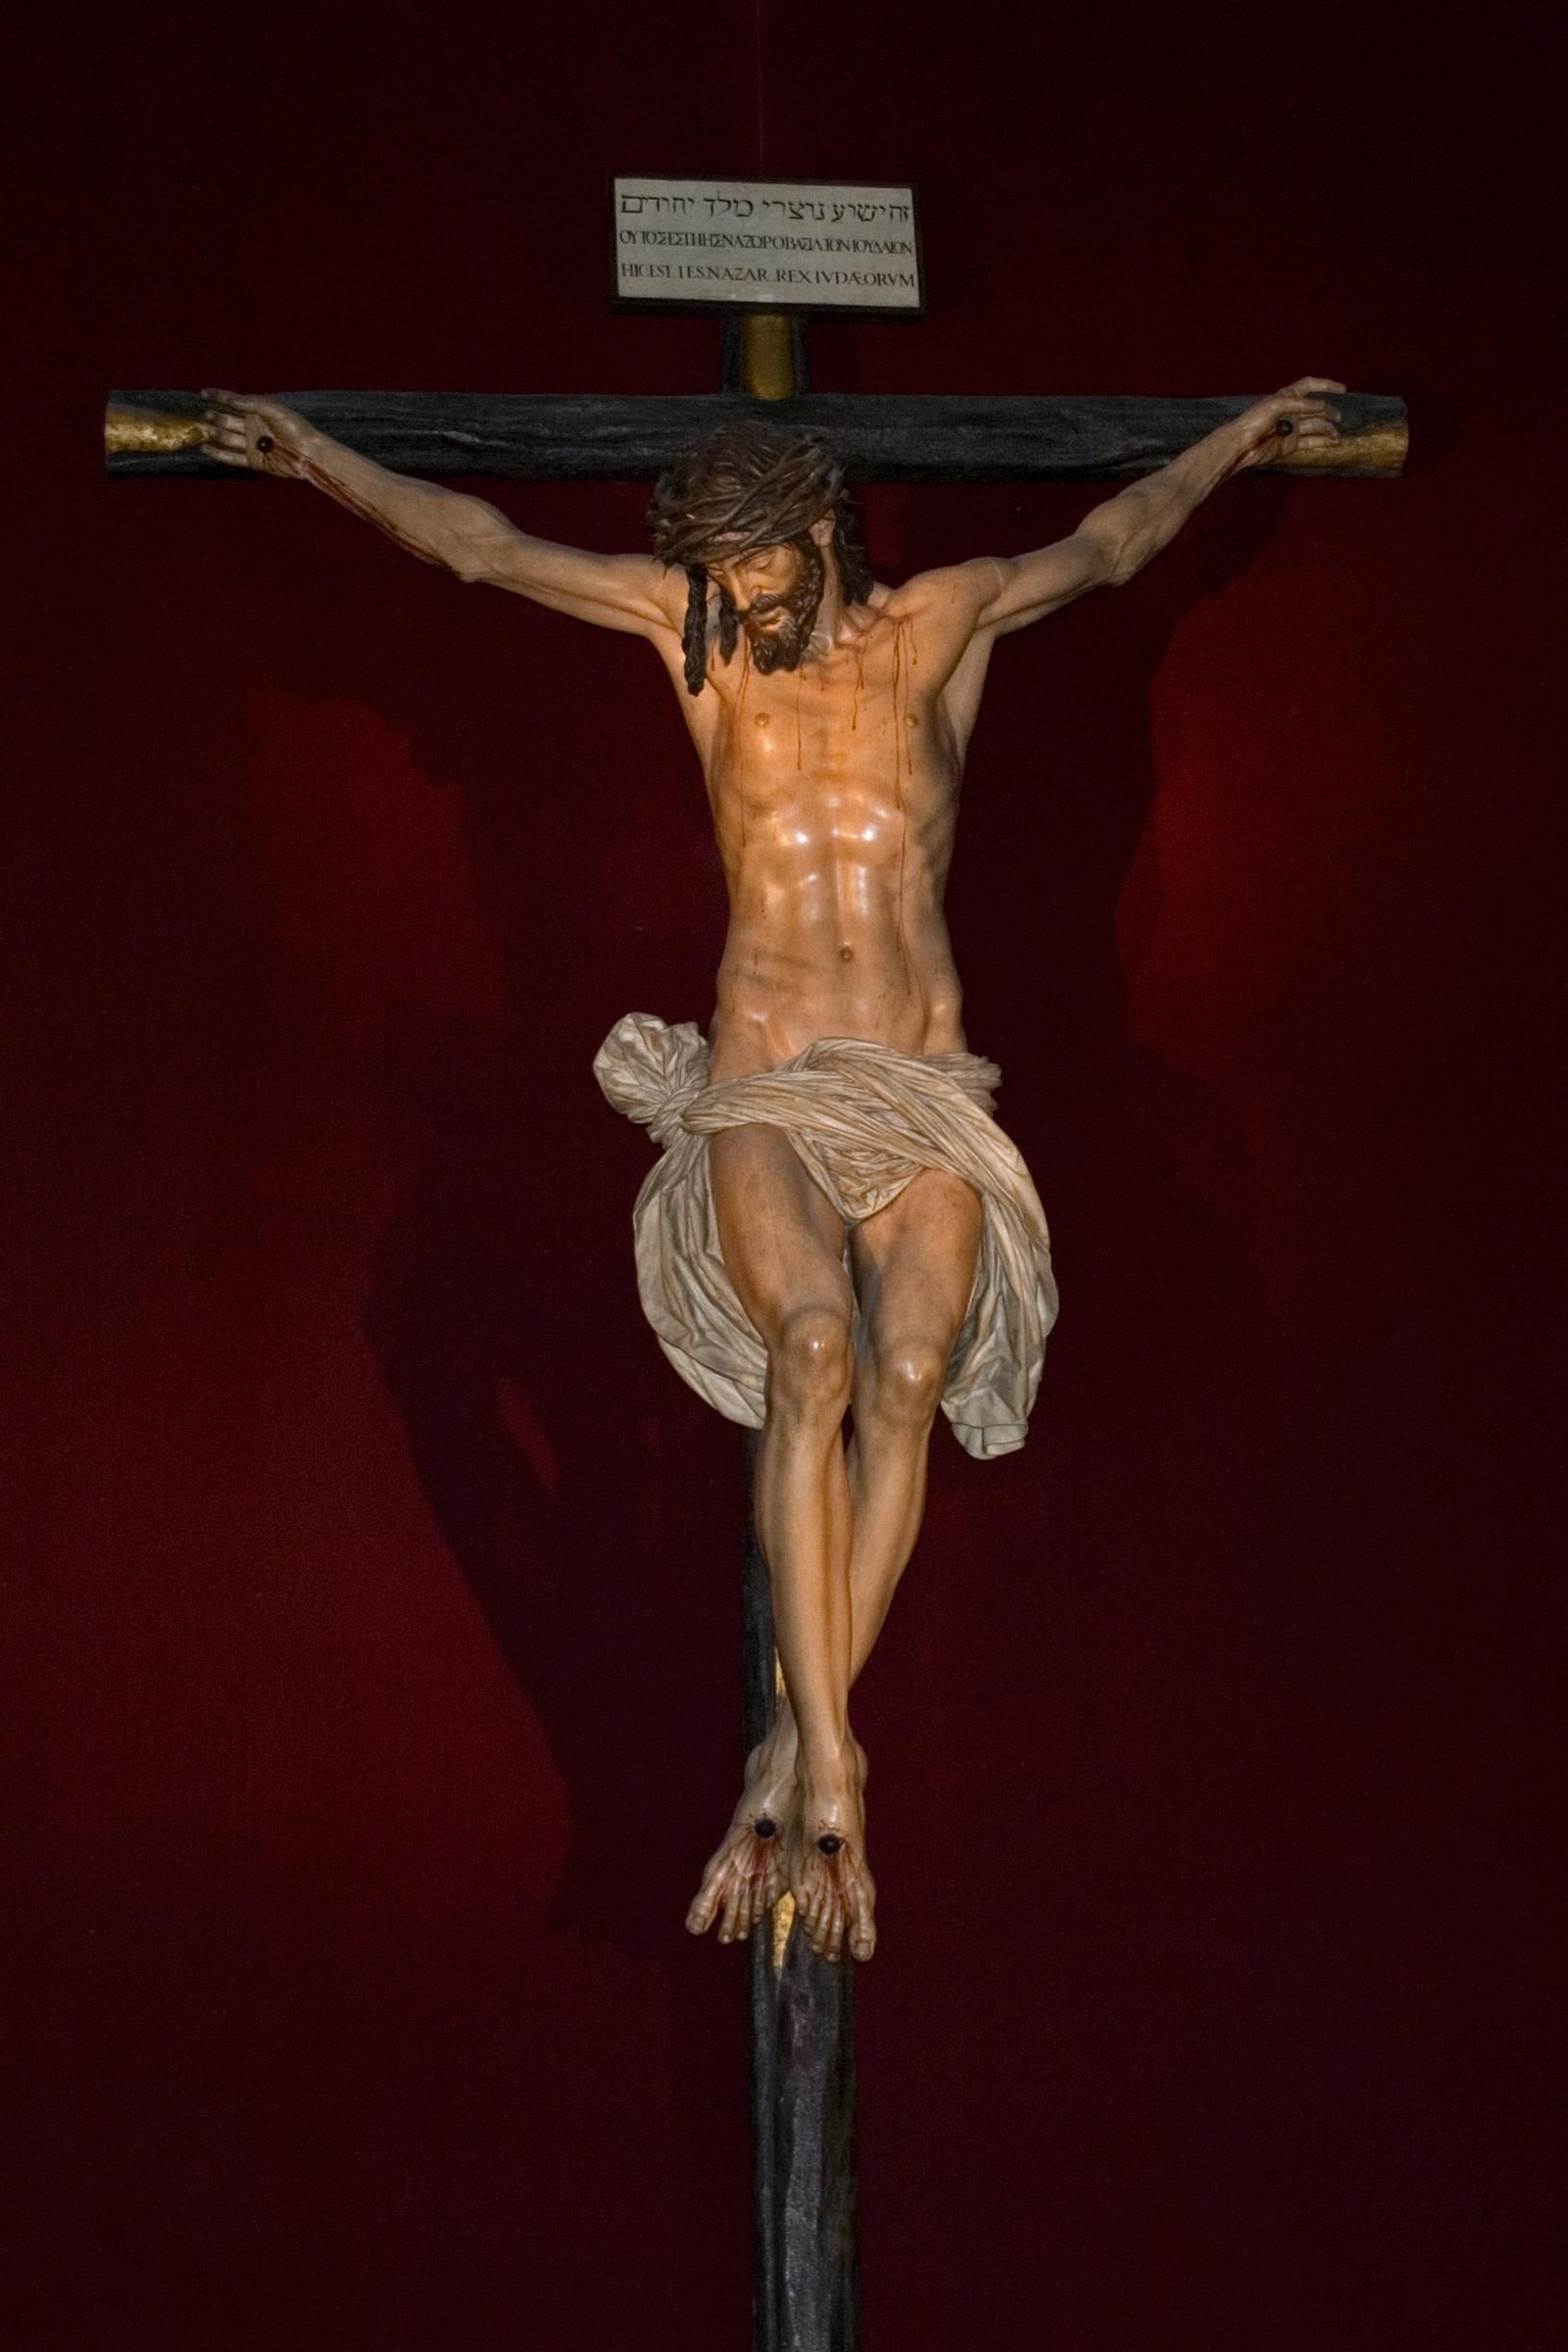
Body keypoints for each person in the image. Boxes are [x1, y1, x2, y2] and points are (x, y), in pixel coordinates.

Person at [203, 377, 1344, 1961]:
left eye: (765, 584)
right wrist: (315, 457)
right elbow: (483, 549)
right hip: (767, 1079)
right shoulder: (707, 647)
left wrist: (1236, 439)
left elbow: (1115, 540)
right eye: (720, 595)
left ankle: (788, 1748)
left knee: (914, 1370)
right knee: (815, 1353)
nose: (740, 619)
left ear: (825, 537)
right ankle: (838, 1760)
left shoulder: (945, 627)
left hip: (920, 1087)